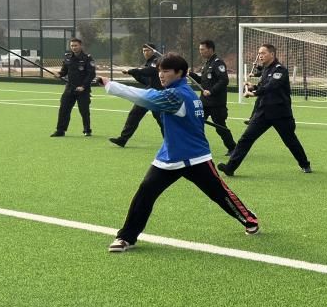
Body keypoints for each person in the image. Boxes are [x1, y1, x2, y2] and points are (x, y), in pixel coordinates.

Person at [96, 53, 259, 252]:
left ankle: (249, 219)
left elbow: (145, 97)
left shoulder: (176, 96)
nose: (161, 75)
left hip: (195, 157)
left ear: (180, 73)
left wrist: (110, 84)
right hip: (169, 157)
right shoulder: (183, 93)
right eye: (160, 71)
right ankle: (126, 237)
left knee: (220, 194)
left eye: (166, 71)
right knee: (145, 193)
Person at [218, 43, 312, 177]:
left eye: (263, 53)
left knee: (290, 141)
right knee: (246, 138)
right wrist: (252, 87)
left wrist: (254, 93)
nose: (260, 56)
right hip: (263, 112)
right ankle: (230, 168)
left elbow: (272, 86)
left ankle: (305, 164)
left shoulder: (280, 70)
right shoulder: (265, 70)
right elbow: (263, 85)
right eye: (259, 53)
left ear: (272, 54)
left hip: (280, 113)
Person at [108, 44, 164, 148]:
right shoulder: (148, 63)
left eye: (147, 50)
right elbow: (146, 81)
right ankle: (122, 139)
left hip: (158, 95)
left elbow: (150, 71)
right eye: (144, 51)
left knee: (162, 120)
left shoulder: (156, 61)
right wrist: (134, 74)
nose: (145, 53)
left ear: (153, 51)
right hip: (148, 93)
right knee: (134, 114)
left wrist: (132, 71)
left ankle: (170, 142)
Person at [195, 39, 237, 155]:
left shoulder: (218, 63)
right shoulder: (207, 63)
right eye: (200, 49)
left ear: (210, 49)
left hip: (216, 103)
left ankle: (233, 148)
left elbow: (224, 80)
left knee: (220, 126)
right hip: (204, 102)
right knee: (196, 123)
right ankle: (197, 148)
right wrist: (191, 75)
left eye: (202, 49)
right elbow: (203, 80)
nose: (200, 52)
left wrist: (211, 91)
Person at [52, 37, 96, 137]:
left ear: (80, 46)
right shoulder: (68, 57)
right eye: (72, 46)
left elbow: (91, 74)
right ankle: (60, 130)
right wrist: (59, 74)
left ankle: (87, 130)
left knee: (84, 111)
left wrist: (83, 86)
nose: (73, 47)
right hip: (69, 88)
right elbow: (64, 71)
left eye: (75, 45)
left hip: (83, 90)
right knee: (64, 109)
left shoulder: (87, 58)